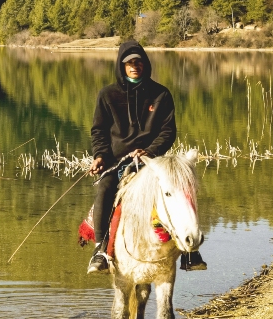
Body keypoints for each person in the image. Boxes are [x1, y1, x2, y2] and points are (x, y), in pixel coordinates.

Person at [86, 40, 206, 273]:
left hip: (153, 161)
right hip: (117, 161)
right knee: (104, 189)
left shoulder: (161, 94)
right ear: (121, 66)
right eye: (129, 63)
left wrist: (150, 151)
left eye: (138, 62)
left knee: (181, 191)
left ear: (145, 64)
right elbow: (99, 131)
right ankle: (101, 249)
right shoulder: (107, 95)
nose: (134, 66)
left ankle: (191, 251)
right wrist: (100, 155)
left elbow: (168, 132)